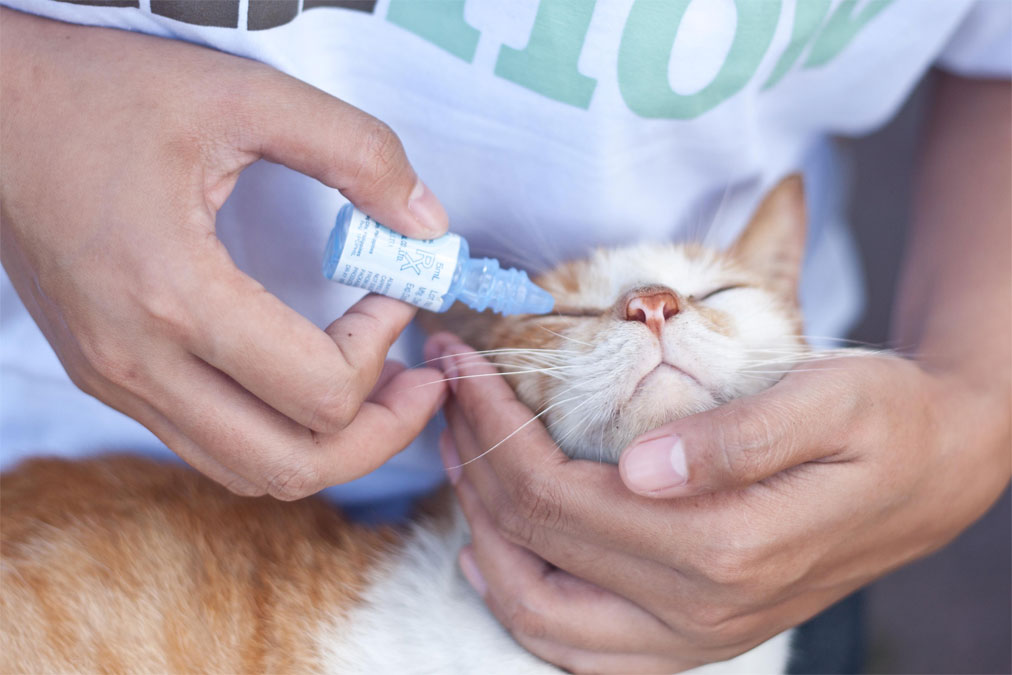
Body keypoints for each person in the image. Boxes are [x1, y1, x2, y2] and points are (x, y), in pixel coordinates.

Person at [2, 1, 1009, 672]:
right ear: (461, 362)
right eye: (574, 316)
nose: (651, 308)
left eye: (720, 292)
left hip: (783, 554)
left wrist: (978, 399)